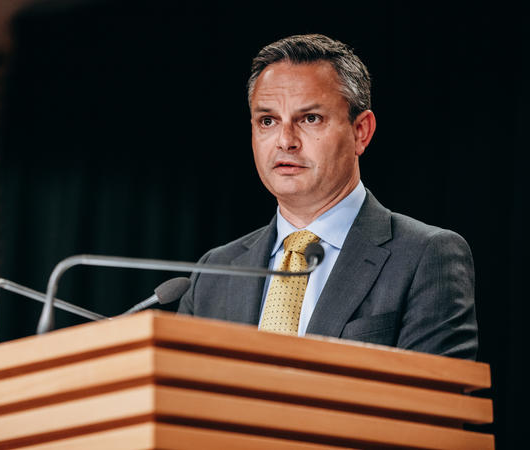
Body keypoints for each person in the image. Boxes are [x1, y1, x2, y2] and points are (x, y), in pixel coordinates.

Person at [177, 34, 478, 360]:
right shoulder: (214, 272)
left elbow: (430, 404)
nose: (285, 141)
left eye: (310, 119)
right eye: (268, 121)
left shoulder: (425, 257)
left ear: (360, 131)